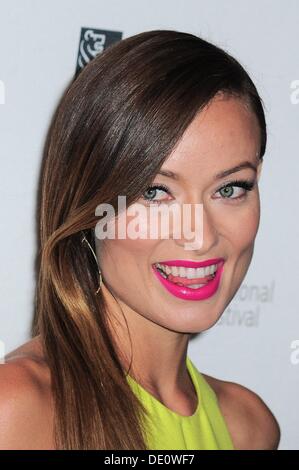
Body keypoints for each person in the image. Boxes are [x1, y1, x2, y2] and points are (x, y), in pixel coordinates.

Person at [0, 29, 280, 450]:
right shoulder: (19, 409)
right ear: (90, 207)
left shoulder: (249, 428)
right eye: (154, 192)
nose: (200, 236)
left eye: (230, 188)